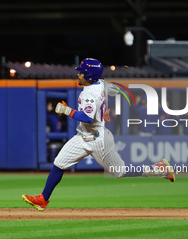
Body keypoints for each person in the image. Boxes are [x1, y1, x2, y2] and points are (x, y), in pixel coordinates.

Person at [22, 58, 175, 212]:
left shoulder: (90, 93)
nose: (79, 75)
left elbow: (87, 117)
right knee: (59, 163)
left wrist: (67, 111)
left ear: (89, 76)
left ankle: (160, 169)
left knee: (120, 172)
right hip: (83, 135)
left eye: (82, 72)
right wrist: (108, 106)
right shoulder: (101, 83)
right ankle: (43, 199)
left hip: (97, 140)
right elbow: (117, 90)